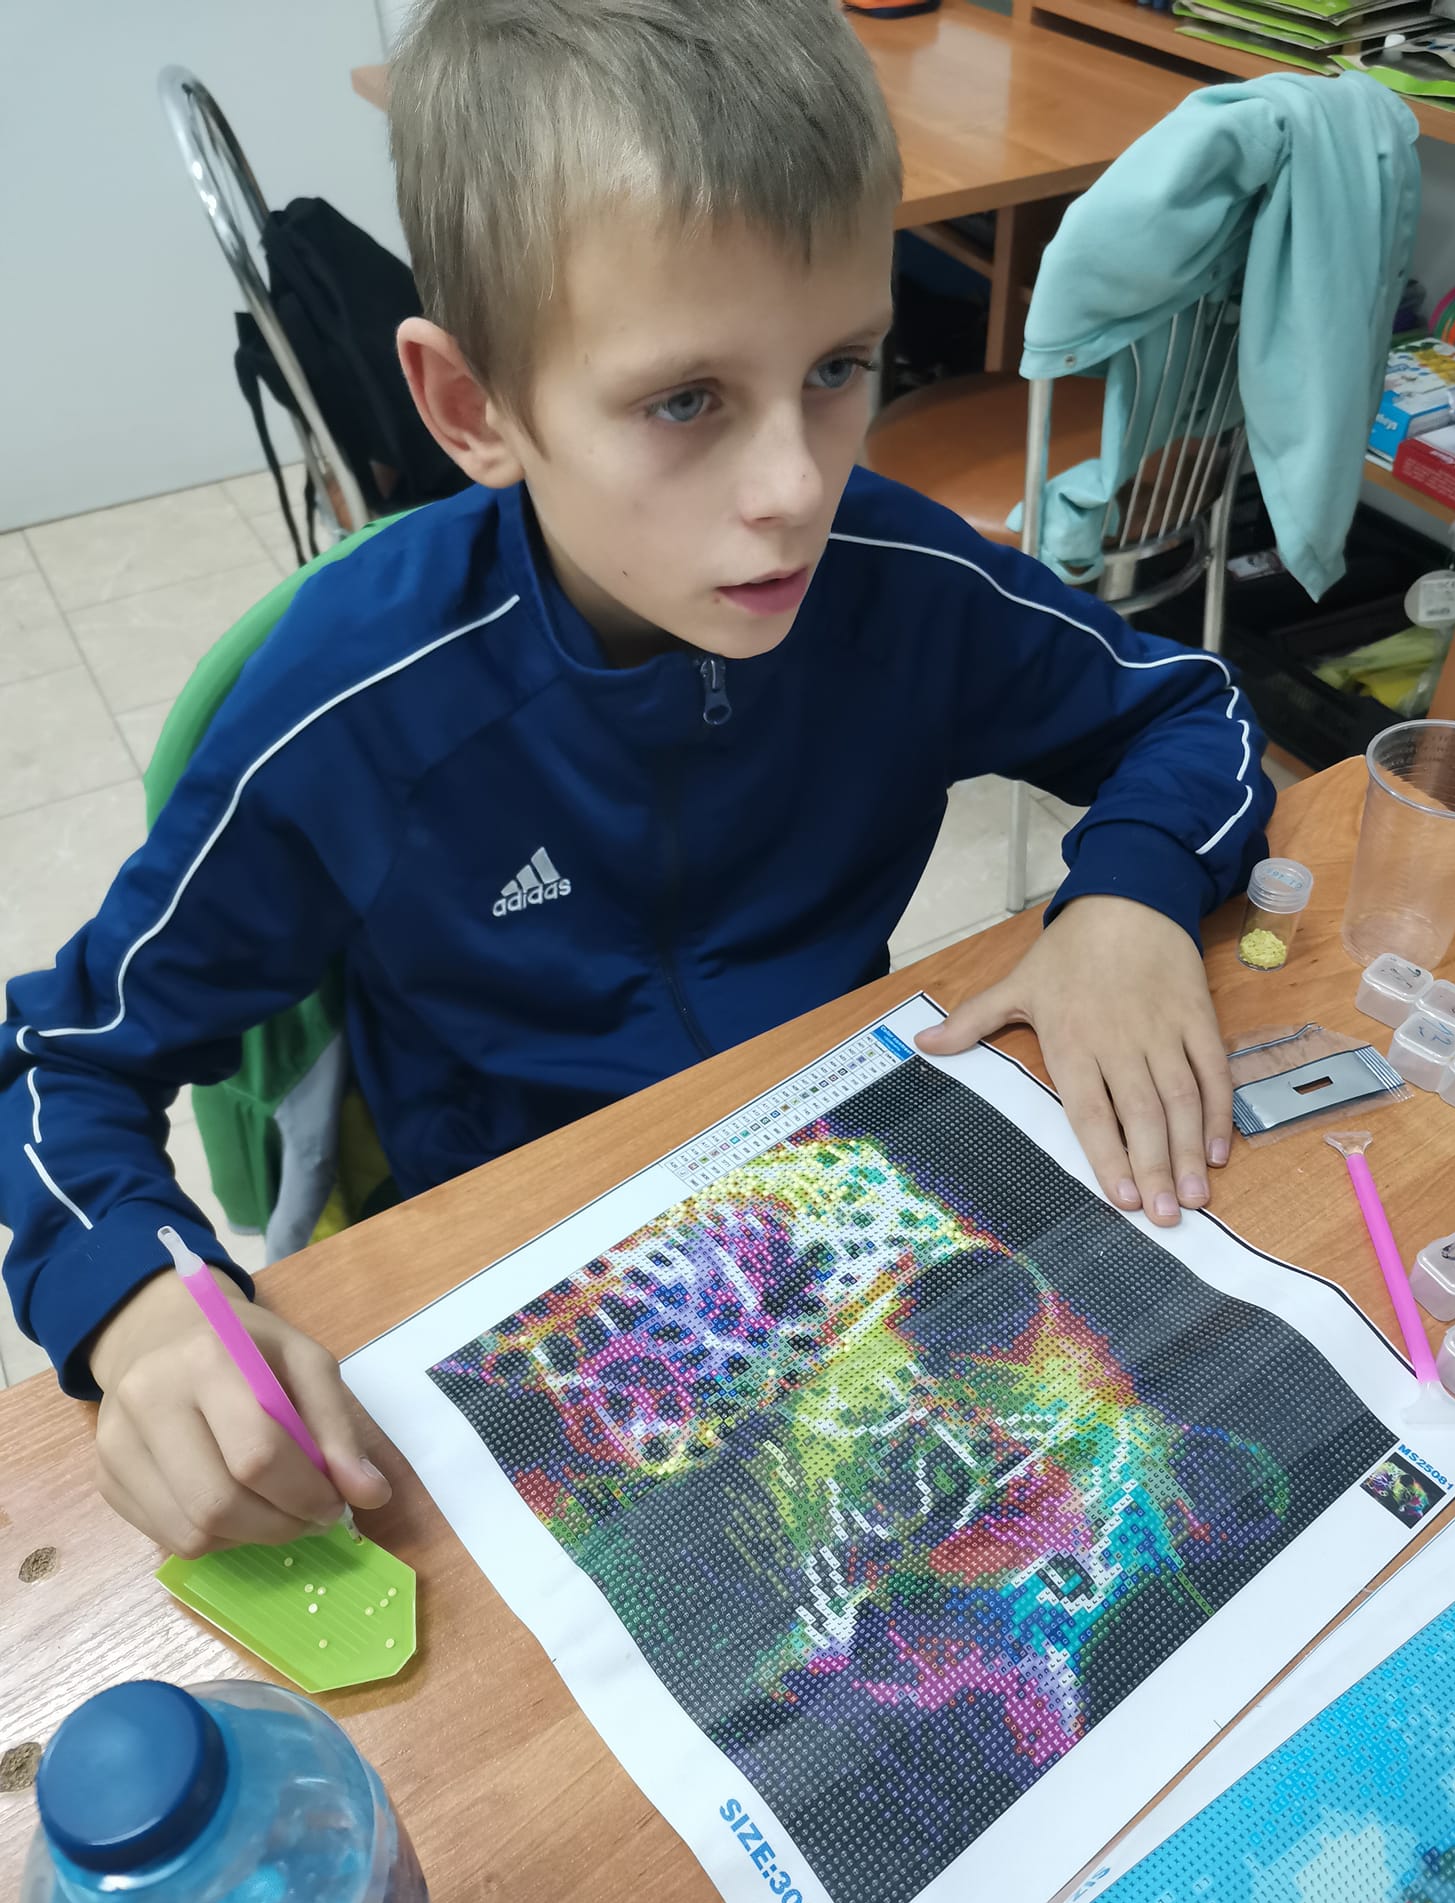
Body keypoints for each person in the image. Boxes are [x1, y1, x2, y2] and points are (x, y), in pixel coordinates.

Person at [0, 0, 1272, 1560]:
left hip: (844, 1216)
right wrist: (136, 1304)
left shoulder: (902, 584)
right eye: (685, 400)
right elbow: (57, 1064)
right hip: (521, 1289)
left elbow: (1191, 712)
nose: (796, 487)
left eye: (839, 366)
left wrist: (1131, 898)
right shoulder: (353, 706)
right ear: (473, 407)